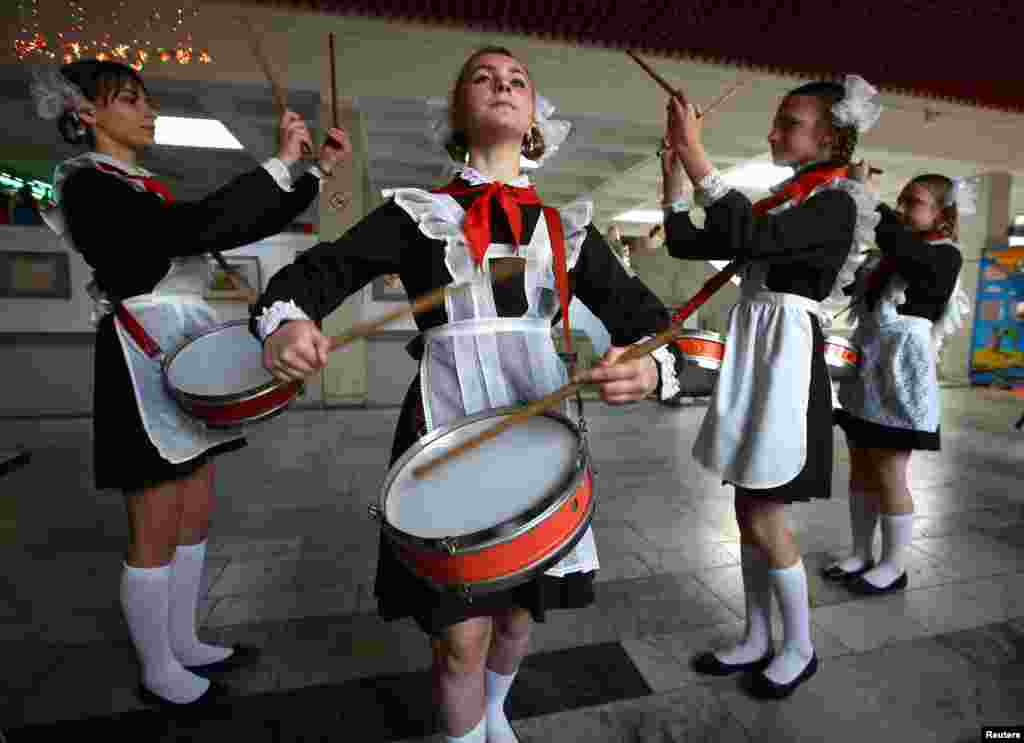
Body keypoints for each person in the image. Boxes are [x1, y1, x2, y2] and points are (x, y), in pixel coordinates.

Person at [250, 46, 684, 743]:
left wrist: (654, 368)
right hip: (445, 425)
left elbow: (650, 321)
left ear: (535, 118)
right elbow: (316, 273)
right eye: (483, 77)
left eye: (517, 79)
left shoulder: (564, 227)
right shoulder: (416, 214)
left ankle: (497, 713)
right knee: (461, 637)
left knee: (519, 614)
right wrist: (286, 320)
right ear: (456, 114)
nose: (502, 85)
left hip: (542, 427)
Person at [32, 59, 351, 707]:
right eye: (130, 100)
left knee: (195, 505)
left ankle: (184, 639)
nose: (148, 111)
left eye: (147, 100)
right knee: (155, 515)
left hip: (180, 341)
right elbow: (194, 229)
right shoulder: (86, 186)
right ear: (86, 113)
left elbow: (234, 223)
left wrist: (308, 170)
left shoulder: (142, 184)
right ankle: (159, 667)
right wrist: (276, 166)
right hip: (137, 350)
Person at [661, 76, 882, 698]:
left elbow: (752, 240)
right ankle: (758, 636)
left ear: (831, 135)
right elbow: (687, 239)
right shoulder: (789, 197)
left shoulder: (837, 200)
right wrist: (675, 164)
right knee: (746, 508)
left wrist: (699, 153)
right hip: (760, 348)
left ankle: (800, 646)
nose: (772, 133)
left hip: (786, 357)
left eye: (788, 122)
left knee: (762, 510)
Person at [828, 173, 968, 594]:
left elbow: (910, 257)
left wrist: (871, 202)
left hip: (901, 379)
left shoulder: (945, 256)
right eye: (901, 199)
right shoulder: (886, 255)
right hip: (867, 372)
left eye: (916, 202)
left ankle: (894, 564)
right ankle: (859, 553)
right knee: (860, 469)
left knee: (889, 472)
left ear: (942, 213)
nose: (905, 208)